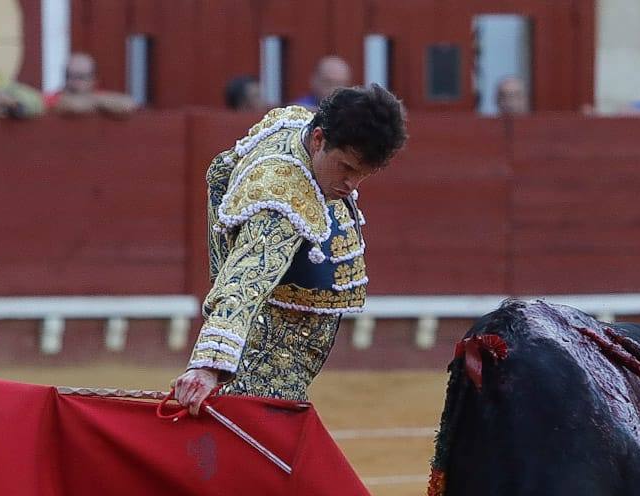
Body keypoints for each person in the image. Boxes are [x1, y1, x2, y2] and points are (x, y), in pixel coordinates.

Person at [172, 85, 408, 411]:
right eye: (347, 168)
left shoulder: (295, 122)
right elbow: (246, 280)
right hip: (265, 352)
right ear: (318, 140)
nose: (352, 185)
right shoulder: (282, 195)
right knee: (255, 442)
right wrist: (209, 365)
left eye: (363, 174)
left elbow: (222, 170)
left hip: (281, 348)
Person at [44, 53, 135, 116]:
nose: (74, 81)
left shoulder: (98, 96)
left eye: (81, 77)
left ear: (93, 80)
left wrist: (91, 101)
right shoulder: (53, 98)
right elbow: (73, 106)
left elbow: (128, 104)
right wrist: (102, 105)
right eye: (70, 76)